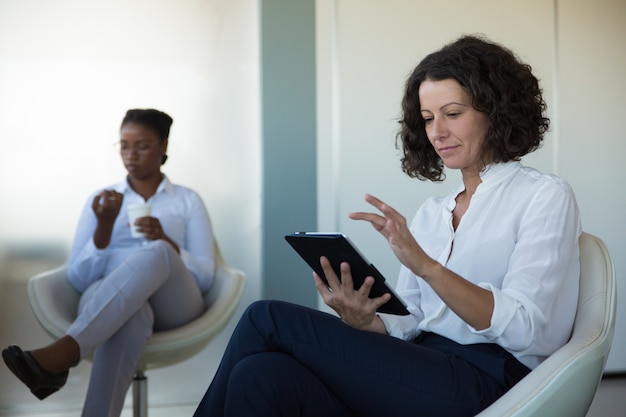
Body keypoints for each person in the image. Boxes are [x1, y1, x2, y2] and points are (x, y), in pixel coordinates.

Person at [192, 35, 581, 417]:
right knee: (259, 374)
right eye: (428, 119)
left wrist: (428, 267)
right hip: (422, 366)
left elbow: (529, 330)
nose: (437, 132)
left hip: (489, 381)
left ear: (495, 111)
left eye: (453, 113)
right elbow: (412, 321)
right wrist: (367, 320)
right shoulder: (434, 212)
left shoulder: (544, 196)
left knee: (266, 318)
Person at [3, 109, 216, 417]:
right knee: (131, 312)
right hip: (109, 295)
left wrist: (166, 240)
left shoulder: (187, 200)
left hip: (175, 303)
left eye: (141, 145)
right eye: (124, 145)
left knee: (158, 252)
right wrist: (104, 228)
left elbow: (207, 277)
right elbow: (78, 278)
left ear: (163, 145)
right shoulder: (102, 200)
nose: (131, 155)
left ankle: (67, 351)